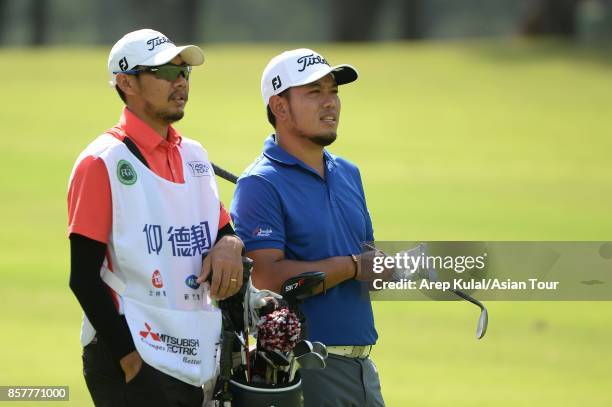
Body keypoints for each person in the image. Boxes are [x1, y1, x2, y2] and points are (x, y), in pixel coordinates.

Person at [67, 28, 245, 407]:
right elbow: (83, 278)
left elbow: (220, 230)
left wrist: (231, 242)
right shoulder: (102, 162)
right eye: (165, 72)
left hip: (194, 355)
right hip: (134, 358)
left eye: (184, 73)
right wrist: (129, 359)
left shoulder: (194, 156)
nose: (180, 82)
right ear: (125, 82)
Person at [230, 48, 386, 407]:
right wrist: (352, 266)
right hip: (305, 367)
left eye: (333, 91)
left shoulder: (348, 173)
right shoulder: (260, 183)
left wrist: (384, 268)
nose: (330, 103)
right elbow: (266, 277)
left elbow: (366, 262)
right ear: (279, 107)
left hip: (363, 367)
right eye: (314, 92)